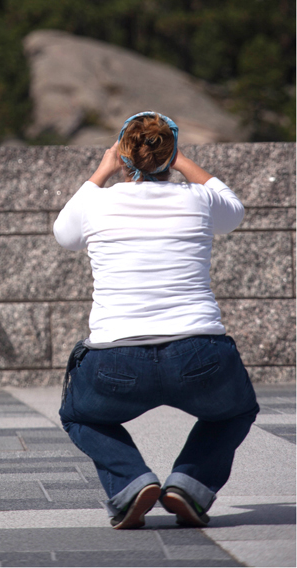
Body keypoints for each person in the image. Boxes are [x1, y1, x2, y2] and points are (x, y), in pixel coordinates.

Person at [54, 111, 259, 530]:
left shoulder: (96, 201)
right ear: (170, 153)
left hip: (115, 360)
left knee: (78, 415)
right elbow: (234, 212)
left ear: (124, 155)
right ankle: (189, 485)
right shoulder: (198, 199)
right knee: (236, 410)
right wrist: (181, 161)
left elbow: (64, 234)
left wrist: (103, 170)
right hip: (200, 355)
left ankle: (131, 482)